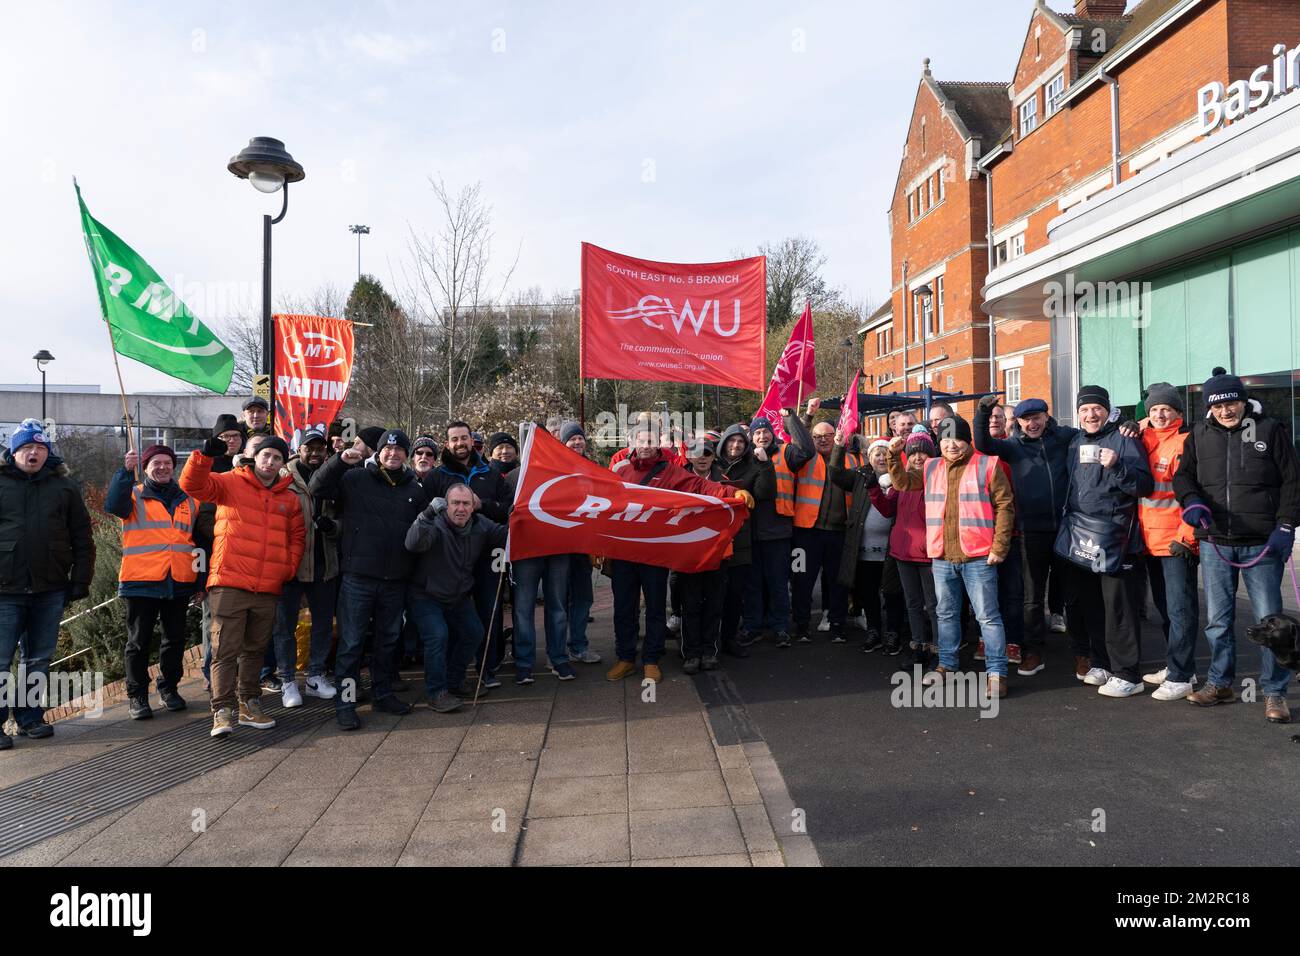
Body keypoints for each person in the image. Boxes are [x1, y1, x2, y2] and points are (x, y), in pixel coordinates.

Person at [1174, 368, 1300, 723]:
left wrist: (1286, 526)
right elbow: (1183, 477)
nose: (1226, 411)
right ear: (1209, 408)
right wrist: (1192, 503)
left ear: (1243, 401)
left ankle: (1274, 693)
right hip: (1216, 542)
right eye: (1218, 405)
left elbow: (1292, 481)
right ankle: (1220, 683)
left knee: (1270, 623)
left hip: (1261, 544)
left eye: (1231, 402)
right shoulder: (1198, 435)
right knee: (1218, 620)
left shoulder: (1270, 430)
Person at [181, 431, 303, 737]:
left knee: (255, 650)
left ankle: (250, 704)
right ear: (255, 457)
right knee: (225, 650)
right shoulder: (230, 482)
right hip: (229, 582)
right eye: (266, 455)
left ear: (282, 462)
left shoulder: (289, 497)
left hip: (267, 587)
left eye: (277, 457)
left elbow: (297, 538)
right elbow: (192, 485)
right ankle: (222, 711)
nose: (271, 461)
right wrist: (203, 457)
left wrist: (285, 569)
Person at [607, 425, 750, 683]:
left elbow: (700, 486)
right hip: (624, 551)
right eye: (642, 440)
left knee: (655, 608)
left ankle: (651, 659)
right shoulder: (619, 471)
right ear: (633, 443)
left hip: (655, 552)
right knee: (623, 608)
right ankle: (625, 657)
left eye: (651, 440)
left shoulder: (671, 472)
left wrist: (731, 493)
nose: (647, 444)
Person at [887, 415, 1016, 698]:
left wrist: (999, 547)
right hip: (943, 556)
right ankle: (947, 665)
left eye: (956, 439)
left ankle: (996, 673)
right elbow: (903, 484)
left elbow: (1005, 506)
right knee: (945, 614)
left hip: (979, 556)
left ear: (967, 440)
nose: (950, 445)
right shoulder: (932, 466)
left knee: (988, 617)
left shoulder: (987, 465)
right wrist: (894, 455)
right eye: (945, 440)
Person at [309, 429, 429, 728]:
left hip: (395, 580)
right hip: (358, 578)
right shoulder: (355, 479)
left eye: (399, 450)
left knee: (388, 641)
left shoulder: (414, 488)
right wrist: (339, 460)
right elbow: (317, 486)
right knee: (351, 643)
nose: (393, 454)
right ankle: (346, 703)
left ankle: (383, 693)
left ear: (406, 455)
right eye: (387, 449)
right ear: (378, 452)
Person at [1054, 385, 1153, 698]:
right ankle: (1102, 662)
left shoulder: (1125, 439)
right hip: (1081, 535)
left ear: (1107, 410)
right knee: (1091, 604)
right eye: (1084, 409)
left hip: (1115, 537)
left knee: (1119, 608)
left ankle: (1128, 673)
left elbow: (1143, 485)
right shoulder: (1076, 441)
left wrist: (1118, 465)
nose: (1090, 414)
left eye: (1096, 408)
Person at [0, 420, 94, 747]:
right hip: (5, 590)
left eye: (40, 448)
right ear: (14, 451)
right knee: (0, 660)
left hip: (49, 588)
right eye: (27, 447)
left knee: (38, 658)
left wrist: (80, 580)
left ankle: (30, 718)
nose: (34, 453)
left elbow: (82, 536)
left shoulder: (63, 487)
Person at [973, 395, 1078, 678]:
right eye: (1026, 419)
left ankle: (1083, 652)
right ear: (1017, 422)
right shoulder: (1013, 447)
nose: (1032, 423)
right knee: (1032, 597)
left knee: (1073, 593)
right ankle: (1033, 652)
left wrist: (1128, 425)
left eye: (1037, 417)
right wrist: (982, 413)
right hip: (1031, 531)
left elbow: (1097, 433)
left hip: (1067, 528)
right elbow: (983, 444)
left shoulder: (1065, 437)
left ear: (1046, 416)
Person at [105, 444, 197, 719]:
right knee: (138, 642)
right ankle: (137, 696)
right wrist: (124, 471)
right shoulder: (132, 495)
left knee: (175, 640)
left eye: (167, 462)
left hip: (178, 580)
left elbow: (198, 541)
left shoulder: (189, 499)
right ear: (145, 467)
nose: (162, 467)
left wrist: (200, 581)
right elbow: (112, 505)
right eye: (155, 463)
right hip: (141, 580)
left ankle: (169, 688)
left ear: (174, 466)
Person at [1123, 384, 1201, 701]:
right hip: (1150, 541)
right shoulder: (1145, 438)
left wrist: (1187, 537)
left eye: (1166, 409)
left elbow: (1193, 495)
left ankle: (1182, 676)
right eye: (1154, 409)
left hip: (1176, 542)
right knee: (1167, 609)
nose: (1160, 414)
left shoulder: (1184, 443)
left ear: (1179, 414)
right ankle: (1177, 666)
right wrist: (1131, 424)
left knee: (1181, 610)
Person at [406, 484, 509, 711]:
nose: (460, 508)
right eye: (455, 503)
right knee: (438, 636)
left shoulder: (481, 525)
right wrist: (426, 514)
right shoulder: (434, 524)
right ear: (446, 505)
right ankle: (437, 692)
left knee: (474, 633)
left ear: (474, 507)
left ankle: (455, 680)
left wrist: (523, 516)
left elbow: (507, 535)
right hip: (426, 595)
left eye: (466, 504)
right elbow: (412, 543)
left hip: (457, 596)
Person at [426, 421, 512, 688]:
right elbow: (423, 514)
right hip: (450, 560)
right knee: (454, 619)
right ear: (447, 443)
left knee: (490, 612)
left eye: (464, 438)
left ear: (472, 440)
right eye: (455, 439)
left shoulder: (491, 473)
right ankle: (455, 674)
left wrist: (481, 505)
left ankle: (488, 668)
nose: (460, 443)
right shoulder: (436, 477)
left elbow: (508, 510)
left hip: (487, 556)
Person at [272, 428, 340, 706]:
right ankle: (288, 680)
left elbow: (345, 518)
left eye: (319, 448)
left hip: (325, 564)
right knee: (283, 626)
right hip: (290, 565)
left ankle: (315, 675)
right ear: (298, 450)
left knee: (323, 623)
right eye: (308, 448)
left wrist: (333, 527)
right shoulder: (282, 477)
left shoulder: (335, 477)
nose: (314, 453)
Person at [785, 402, 860, 643]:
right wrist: (804, 417)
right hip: (805, 533)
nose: (823, 440)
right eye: (817, 436)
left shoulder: (852, 461)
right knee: (801, 580)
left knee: (838, 583)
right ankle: (802, 627)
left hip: (839, 533)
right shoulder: (803, 458)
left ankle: (838, 626)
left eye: (828, 435)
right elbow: (798, 440)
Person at [830, 436, 903, 654]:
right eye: (876, 454)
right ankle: (874, 631)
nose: (881, 458)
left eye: (884, 453)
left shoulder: (900, 477)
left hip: (892, 550)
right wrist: (838, 446)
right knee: (868, 593)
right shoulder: (861, 476)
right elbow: (835, 474)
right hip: (864, 550)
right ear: (869, 458)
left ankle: (893, 633)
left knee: (892, 594)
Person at [191, 413, 244, 691]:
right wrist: (230, 534)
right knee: (213, 617)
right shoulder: (208, 468)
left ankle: (235, 671)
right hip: (214, 553)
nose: (230, 441)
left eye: (235, 436)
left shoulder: (249, 463)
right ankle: (211, 672)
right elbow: (202, 516)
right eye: (225, 437)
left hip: (244, 556)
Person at [887, 428, 939, 668]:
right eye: (913, 453)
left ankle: (939, 649)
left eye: (923, 453)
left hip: (928, 553)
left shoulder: (935, 480)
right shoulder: (903, 480)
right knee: (913, 603)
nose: (918, 457)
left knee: (935, 605)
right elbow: (888, 509)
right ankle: (918, 646)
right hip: (902, 550)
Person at [743, 416, 797, 647]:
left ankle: (781, 628)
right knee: (752, 585)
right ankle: (752, 627)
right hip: (751, 533)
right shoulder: (744, 460)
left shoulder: (785, 453)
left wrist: (796, 419)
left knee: (777, 584)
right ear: (751, 437)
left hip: (777, 531)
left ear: (772, 434)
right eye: (757, 433)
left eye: (765, 432)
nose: (762, 436)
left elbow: (805, 450)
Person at [714, 424, 765, 657]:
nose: (736, 445)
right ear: (723, 442)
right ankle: (709, 639)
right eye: (732, 441)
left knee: (735, 594)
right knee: (713, 594)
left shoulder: (753, 468)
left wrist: (765, 466)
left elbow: (766, 494)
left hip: (740, 540)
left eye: (741, 442)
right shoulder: (710, 466)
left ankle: (729, 638)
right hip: (712, 540)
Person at [559, 422, 600, 664]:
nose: (577, 443)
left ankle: (578, 644)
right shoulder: (553, 469)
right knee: (559, 600)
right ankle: (557, 648)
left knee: (583, 598)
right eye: (571, 439)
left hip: (584, 545)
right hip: (560, 545)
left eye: (580, 438)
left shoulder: (594, 469)